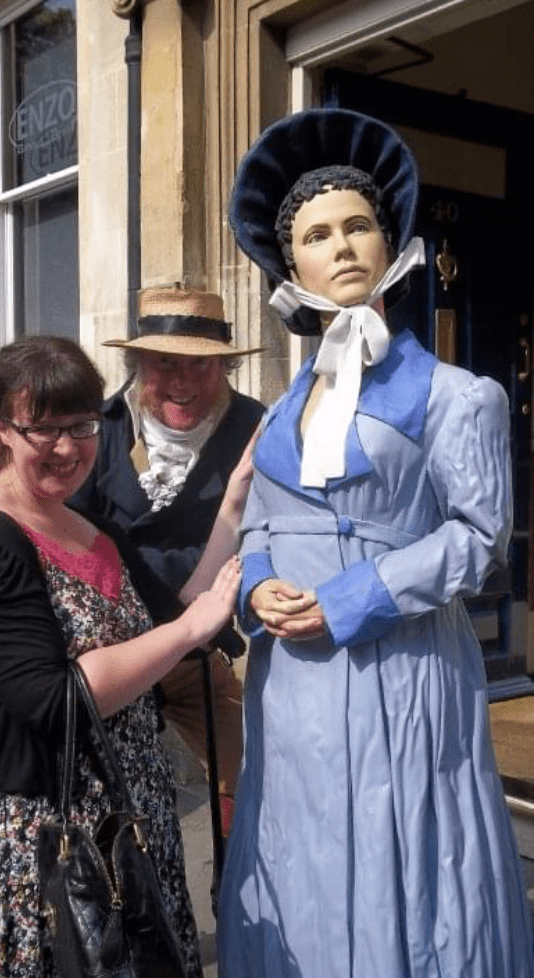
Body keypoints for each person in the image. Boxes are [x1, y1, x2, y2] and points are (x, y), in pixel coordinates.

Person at [216, 107, 534, 977]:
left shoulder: (459, 397)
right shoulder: (283, 408)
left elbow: (479, 540)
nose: (343, 245)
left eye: (359, 225)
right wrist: (259, 586)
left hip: (402, 674)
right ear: (293, 265)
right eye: (318, 234)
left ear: (390, 242)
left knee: (407, 851)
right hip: (295, 692)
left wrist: (353, 598)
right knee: (302, 845)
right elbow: (261, 523)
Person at [0, 336, 246, 978]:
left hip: (120, 825)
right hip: (27, 841)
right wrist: (192, 631)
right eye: (43, 429)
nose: (68, 447)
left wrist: (239, 498)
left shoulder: (88, 529)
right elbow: (58, 698)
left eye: (82, 427)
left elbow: (176, 610)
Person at [71, 284, 265, 835]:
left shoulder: (255, 428)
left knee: (248, 777)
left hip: (196, 659)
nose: (182, 383)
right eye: (165, 365)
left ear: (224, 368)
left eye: (199, 367)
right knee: (113, 807)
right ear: (138, 366)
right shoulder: (99, 430)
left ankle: (236, 901)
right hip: (116, 658)